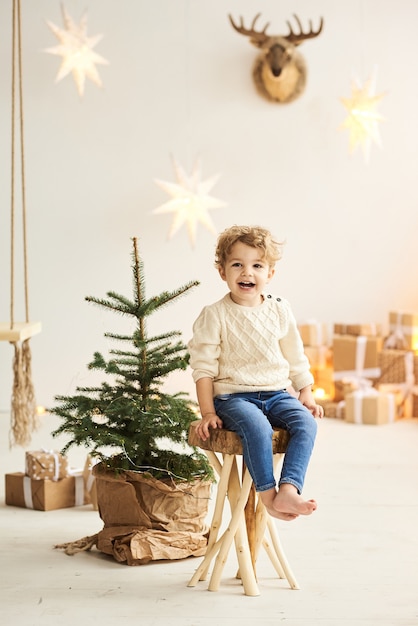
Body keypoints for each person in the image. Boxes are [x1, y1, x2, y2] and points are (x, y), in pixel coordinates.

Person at [188, 225, 323, 521]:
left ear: (270, 273)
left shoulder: (279, 309)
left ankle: (289, 488)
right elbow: (203, 369)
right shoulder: (214, 315)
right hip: (234, 398)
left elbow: (295, 355)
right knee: (258, 427)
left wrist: (306, 391)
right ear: (223, 272)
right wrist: (207, 411)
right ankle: (268, 497)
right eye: (237, 264)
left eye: (257, 265)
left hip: (276, 393)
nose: (247, 273)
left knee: (306, 424)